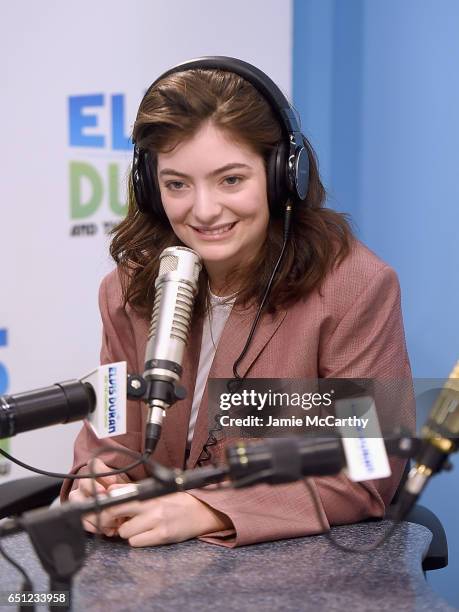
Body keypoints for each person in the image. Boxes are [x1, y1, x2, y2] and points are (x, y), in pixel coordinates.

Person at [60, 57, 414, 548]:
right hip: (147, 573)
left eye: (231, 180)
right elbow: (110, 439)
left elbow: (366, 469)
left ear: (280, 176)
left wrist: (207, 510)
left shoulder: (356, 289)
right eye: (177, 184)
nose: (203, 210)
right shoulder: (128, 288)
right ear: (149, 185)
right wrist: (95, 486)